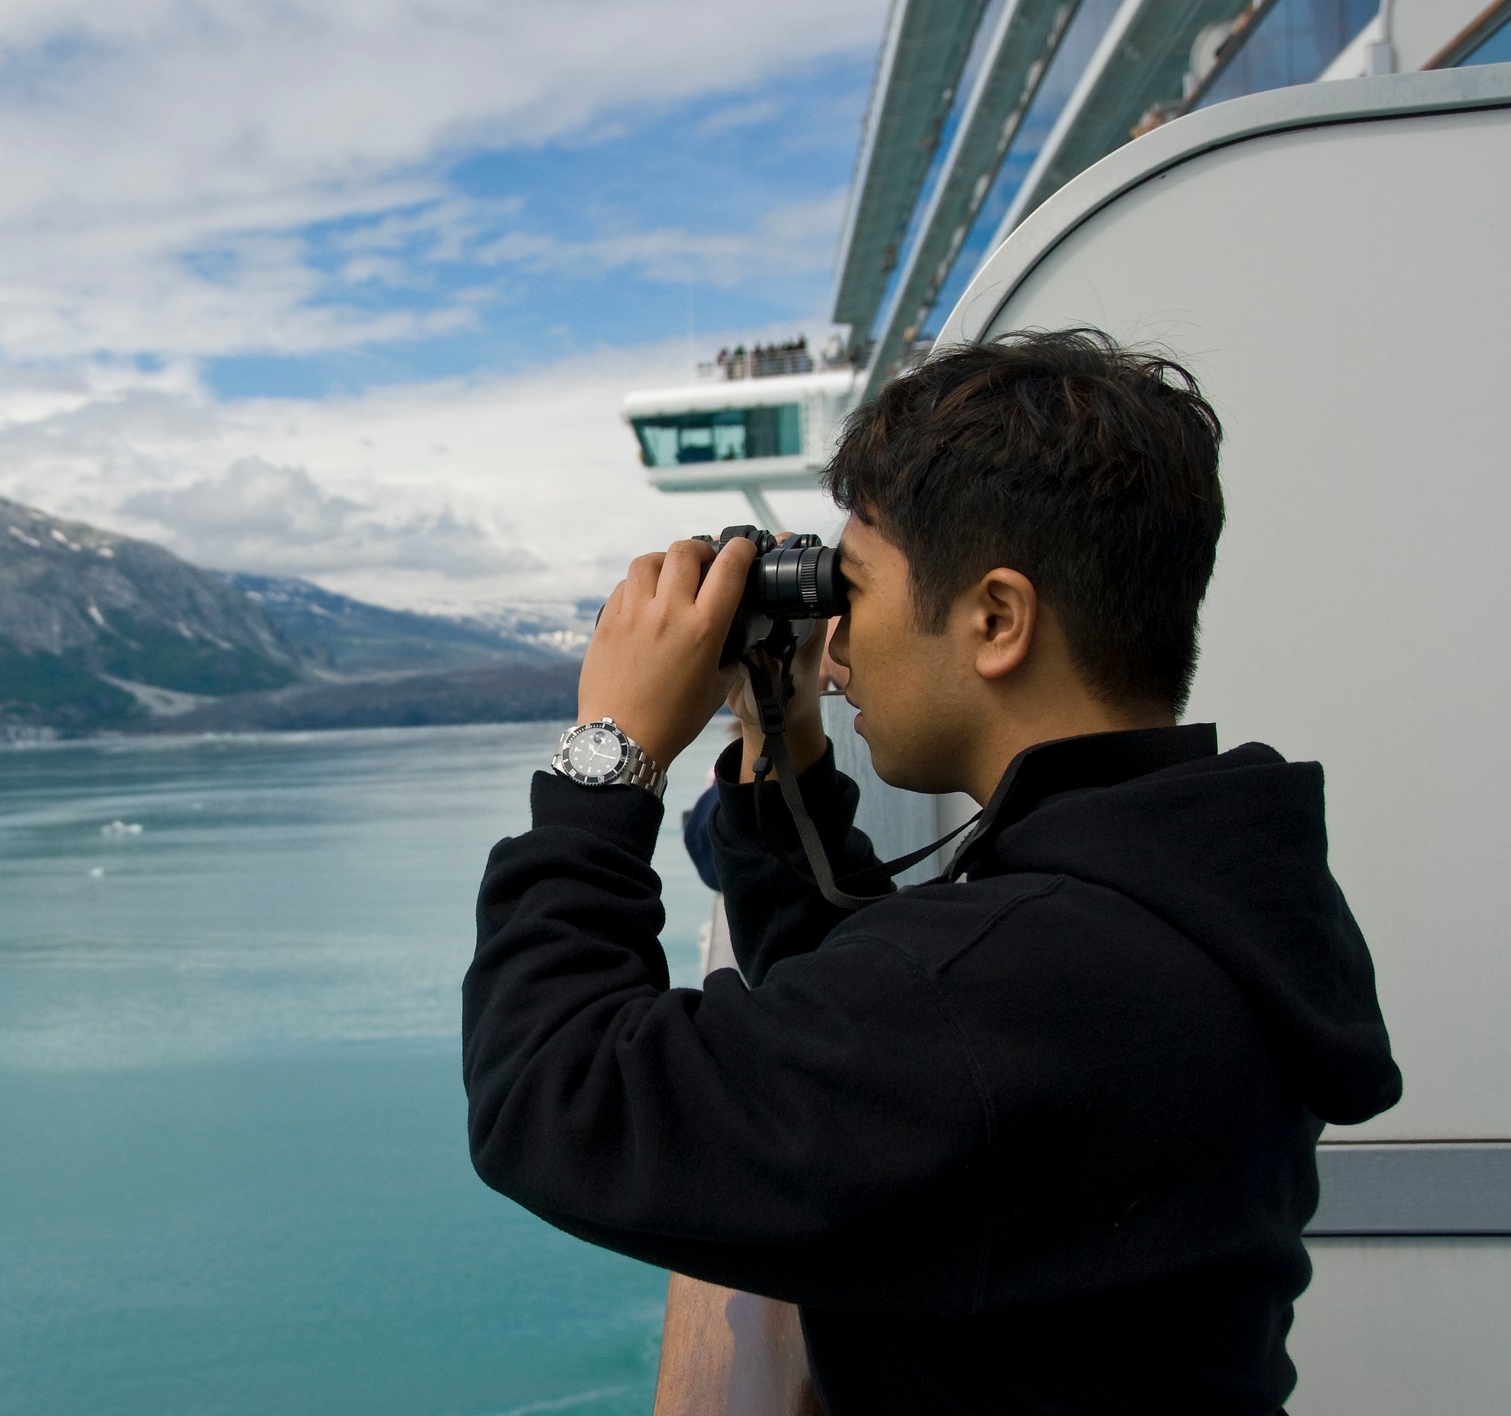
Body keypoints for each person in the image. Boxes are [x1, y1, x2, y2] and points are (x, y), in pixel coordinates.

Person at [463, 329, 1400, 1414]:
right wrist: (784, 741)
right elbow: (867, 1020)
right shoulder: (1190, 889)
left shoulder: (1024, 982)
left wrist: (610, 757)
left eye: (850, 588)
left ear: (995, 619)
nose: (841, 641)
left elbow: (557, 1098)